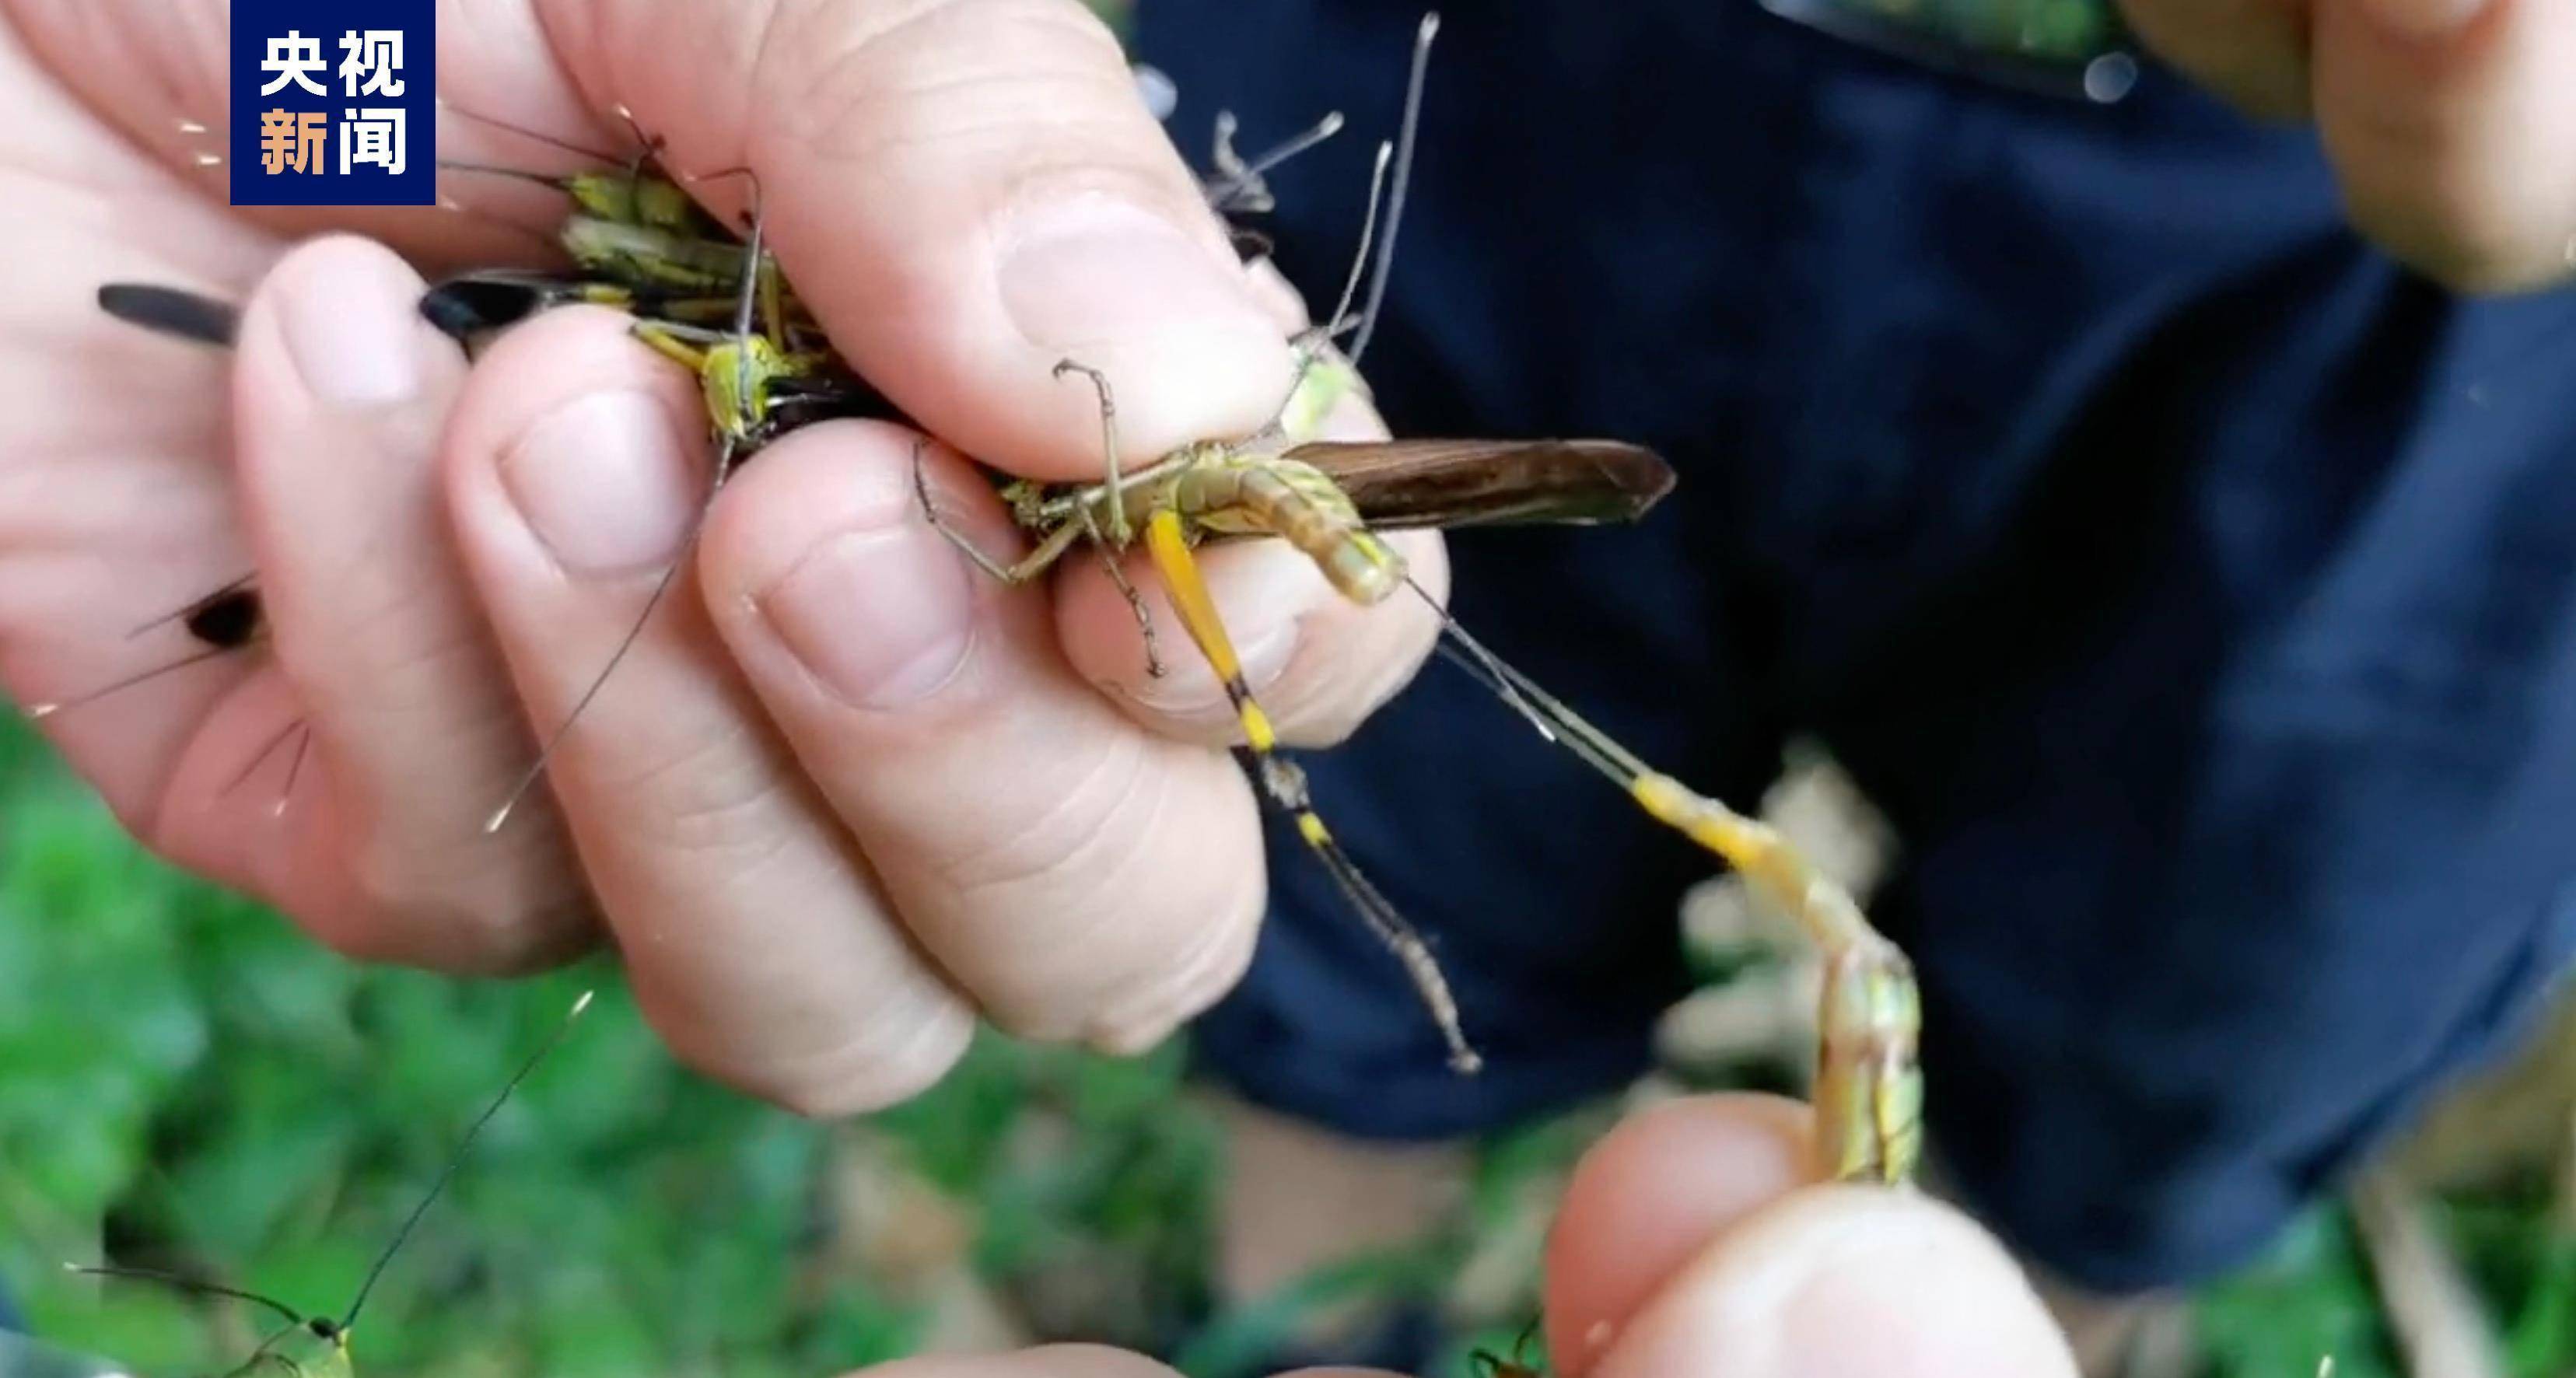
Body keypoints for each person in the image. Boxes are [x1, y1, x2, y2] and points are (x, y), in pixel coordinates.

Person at [0, 0, 2566, 1373]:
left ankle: (1999, 1315)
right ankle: (1316, 1302)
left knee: (2182, 1030)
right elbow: (280, 57)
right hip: (1487, 93)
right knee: (1331, 858)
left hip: (2353, 310)